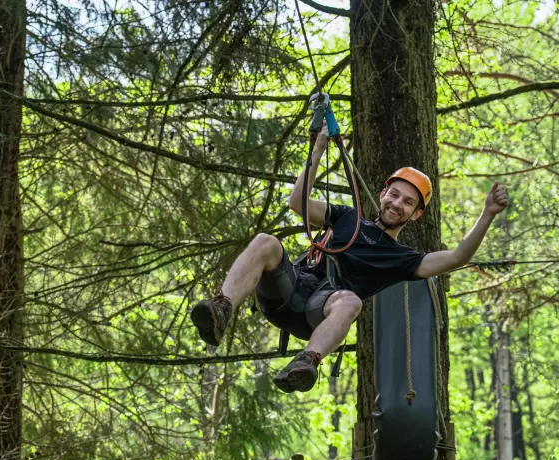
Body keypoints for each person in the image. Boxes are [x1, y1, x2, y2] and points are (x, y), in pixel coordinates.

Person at [190, 126, 509, 393]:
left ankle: (307, 361)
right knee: (266, 242)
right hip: (288, 291)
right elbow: (298, 203)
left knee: (351, 301)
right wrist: (317, 150)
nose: (397, 203)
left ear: (416, 214)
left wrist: (487, 214)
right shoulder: (347, 217)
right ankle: (221, 308)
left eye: (408, 202)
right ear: (383, 193)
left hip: (317, 313)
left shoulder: (401, 258)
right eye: (394, 194)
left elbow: (457, 257)